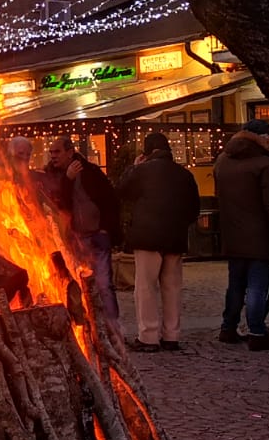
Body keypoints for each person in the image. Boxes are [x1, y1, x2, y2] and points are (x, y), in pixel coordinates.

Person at [118, 132, 202, 351]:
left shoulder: (143, 171)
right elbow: (194, 208)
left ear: (147, 151)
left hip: (147, 236)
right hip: (174, 236)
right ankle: (171, 335)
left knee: (145, 287)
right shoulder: (184, 174)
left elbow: (122, 190)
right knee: (172, 287)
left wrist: (133, 168)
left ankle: (148, 336)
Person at [214, 118, 269, 351]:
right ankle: (257, 331)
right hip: (260, 235)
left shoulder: (222, 161)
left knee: (235, 283)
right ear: (261, 138)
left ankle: (228, 327)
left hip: (232, 233)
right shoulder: (265, 165)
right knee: (258, 285)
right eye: (268, 136)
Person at [36, 138, 122, 318]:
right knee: (79, 286)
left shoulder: (91, 172)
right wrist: (68, 179)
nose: (53, 156)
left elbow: (110, 202)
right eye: (51, 152)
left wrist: (106, 230)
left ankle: (113, 327)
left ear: (70, 152)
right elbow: (59, 205)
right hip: (74, 239)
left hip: (97, 236)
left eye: (57, 152)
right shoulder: (52, 176)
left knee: (104, 284)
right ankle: (90, 325)